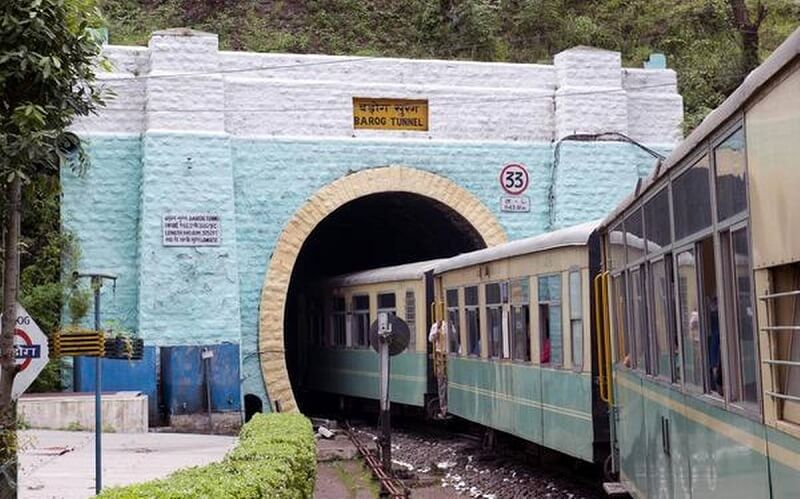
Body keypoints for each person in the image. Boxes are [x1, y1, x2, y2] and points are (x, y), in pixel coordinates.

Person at [429, 320, 449, 417]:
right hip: (439, 355)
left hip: (447, 353)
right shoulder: (435, 326)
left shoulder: (449, 324)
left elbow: (453, 337)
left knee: (446, 383)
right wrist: (437, 331)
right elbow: (431, 339)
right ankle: (443, 408)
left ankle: (447, 407)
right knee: (441, 383)